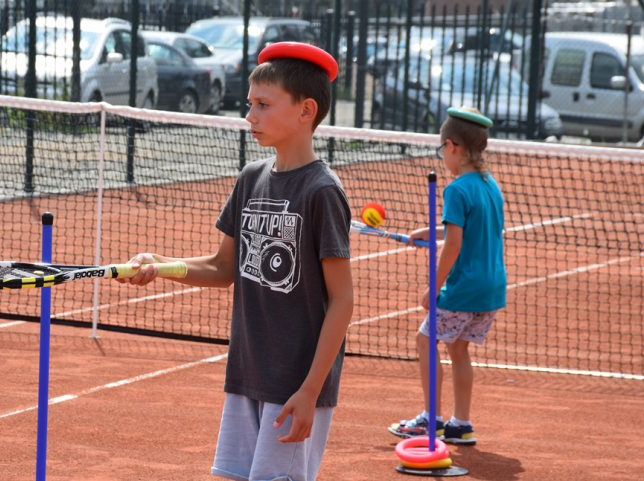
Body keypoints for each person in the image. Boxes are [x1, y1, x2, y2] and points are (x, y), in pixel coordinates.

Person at [117, 43, 354, 481]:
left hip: (296, 385)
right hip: (246, 372)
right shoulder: (251, 179)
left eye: (263, 105)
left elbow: (342, 300)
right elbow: (224, 268)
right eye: (250, 105)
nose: (250, 116)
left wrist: (310, 390)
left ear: (306, 111)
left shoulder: (321, 191)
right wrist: (160, 263)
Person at [388, 107, 506, 446]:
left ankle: (431, 419)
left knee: (425, 341)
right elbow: (466, 231)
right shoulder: (489, 185)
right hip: (491, 288)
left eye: (442, 150)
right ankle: (461, 424)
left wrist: (434, 286)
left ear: (452, 146)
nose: (442, 157)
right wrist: (429, 231)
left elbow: (453, 244)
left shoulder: (456, 189)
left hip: (464, 287)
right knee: (458, 349)